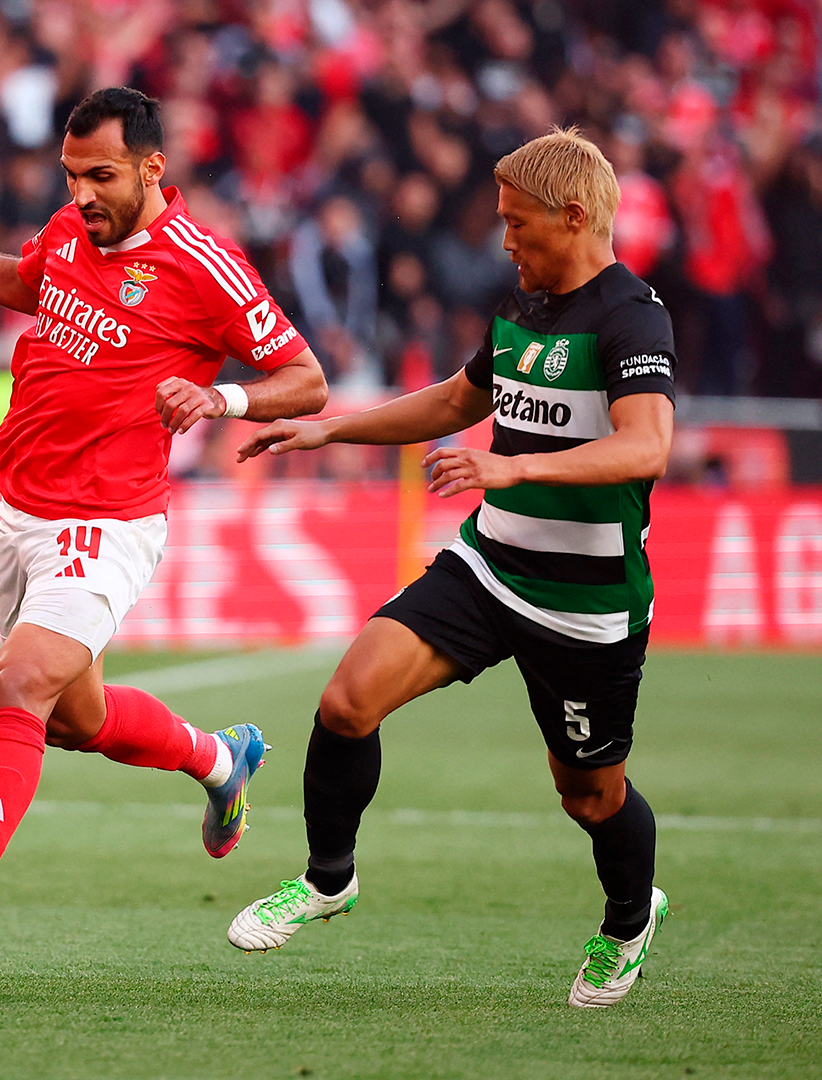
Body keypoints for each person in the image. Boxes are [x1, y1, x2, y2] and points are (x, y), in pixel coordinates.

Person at [0, 87, 328, 965]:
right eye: (72, 174)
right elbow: (24, 280)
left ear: (153, 168)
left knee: (20, 682)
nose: (83, 192)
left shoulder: (205, 264)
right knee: (71, 717)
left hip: (107, 519)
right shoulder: (69, 229)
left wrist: (218, 396)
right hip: (18, 509)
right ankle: (217, 760)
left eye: (102, 175)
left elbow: (306, 377)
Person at [224, 127, 677, 1010]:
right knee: (347, 701)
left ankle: (629, 919)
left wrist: (512, 465)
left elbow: (647, 444)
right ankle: (327, 880)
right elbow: (455, 401)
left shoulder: (631, 317)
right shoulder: (521, 309)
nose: (504, 241)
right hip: (488, 566)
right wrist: (331, 427)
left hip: (585, 606)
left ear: (574, 216)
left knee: (589, 796)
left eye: (518, 224)